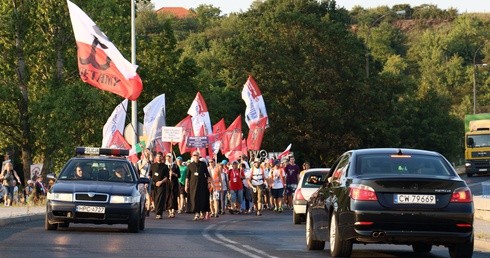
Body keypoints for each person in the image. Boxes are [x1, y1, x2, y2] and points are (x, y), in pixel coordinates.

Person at [185, 151, 211, 220]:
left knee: (202, 199)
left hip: (202, 185)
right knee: (194, 199)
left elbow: (207, 175)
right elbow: (187, 176)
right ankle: (196, 213)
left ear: (199, 156)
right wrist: (186, 185)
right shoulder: (190, 165)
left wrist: (209, 183)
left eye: (196, 155)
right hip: (193, 185)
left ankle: (202, 212)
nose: (195, 156)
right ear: (192, 156)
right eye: (194, 155)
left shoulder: (203, 164)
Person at [149, 152, 170, 219]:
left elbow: (167, 177)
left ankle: (159, 213)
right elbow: (150, 175)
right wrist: (149, 182)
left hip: (161, 185)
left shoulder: (165, 166)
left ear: (162, 157)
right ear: (156, 157)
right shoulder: (153, 165)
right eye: (157, 156)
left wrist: (161, 182)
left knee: (160, 199)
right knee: (155, 199)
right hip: (154, 184)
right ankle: (156, 211)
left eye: (160, 156)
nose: (159, 157)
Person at [165, 153, 180, 218]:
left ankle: (173, 210)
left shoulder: (175, 166)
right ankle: (169, 211)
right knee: (168, 196)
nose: (168, 159)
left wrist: (173, 173)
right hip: (167, 183)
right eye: (167, 157)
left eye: (169, 157)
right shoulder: (165, 166)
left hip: (174, 183)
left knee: (173, 196)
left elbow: (178, 175)